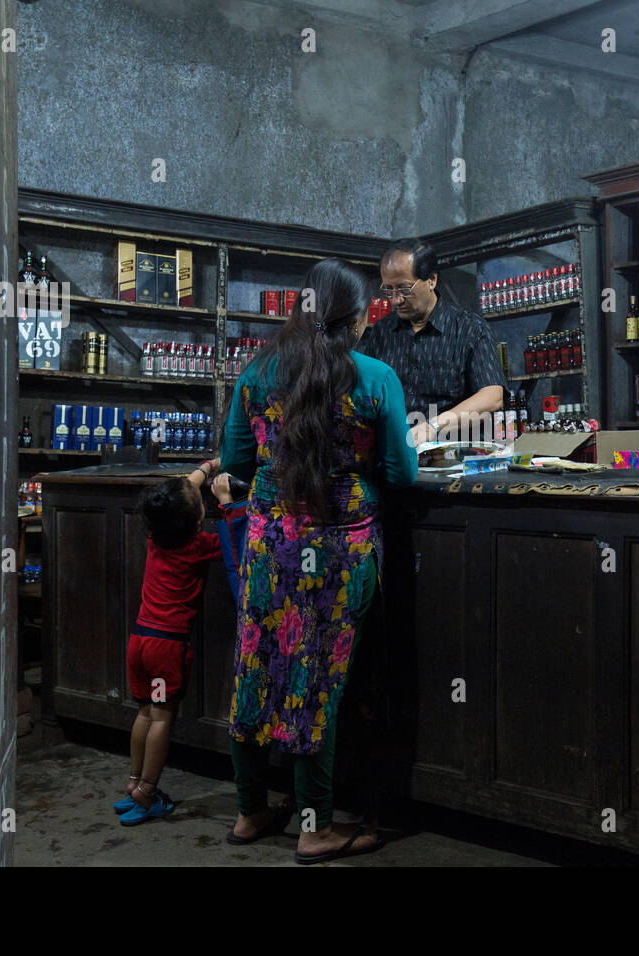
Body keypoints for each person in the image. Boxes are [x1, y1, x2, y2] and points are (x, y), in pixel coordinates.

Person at [220, 257, 417, 864]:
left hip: (268, 543)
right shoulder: (375, 377)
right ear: (355, 320)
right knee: (318, 681)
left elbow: (236, 460)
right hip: (340, 548)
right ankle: (315, 826)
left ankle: (251, 811)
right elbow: (399, 473)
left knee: (255, 664)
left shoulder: (256, 373)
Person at [115, 458, 224, 825]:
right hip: (166, 649)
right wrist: (224, 502)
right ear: (197, 520)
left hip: (140, 642)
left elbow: (178, 495)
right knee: (163, 717)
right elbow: (236, 540)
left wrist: (208, 467)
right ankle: (148, 793)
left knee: (145, 712)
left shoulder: (155, 537)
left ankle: (133, 785)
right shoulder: (199, 545)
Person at [357, 237, 505, 447]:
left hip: (454, 457)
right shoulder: (382, 331)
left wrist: (432, 426)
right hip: (398, 455)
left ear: (431, 280)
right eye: (389, 290)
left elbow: (493, 396)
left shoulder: (470, 329)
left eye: (405, 289)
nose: (396, 300)